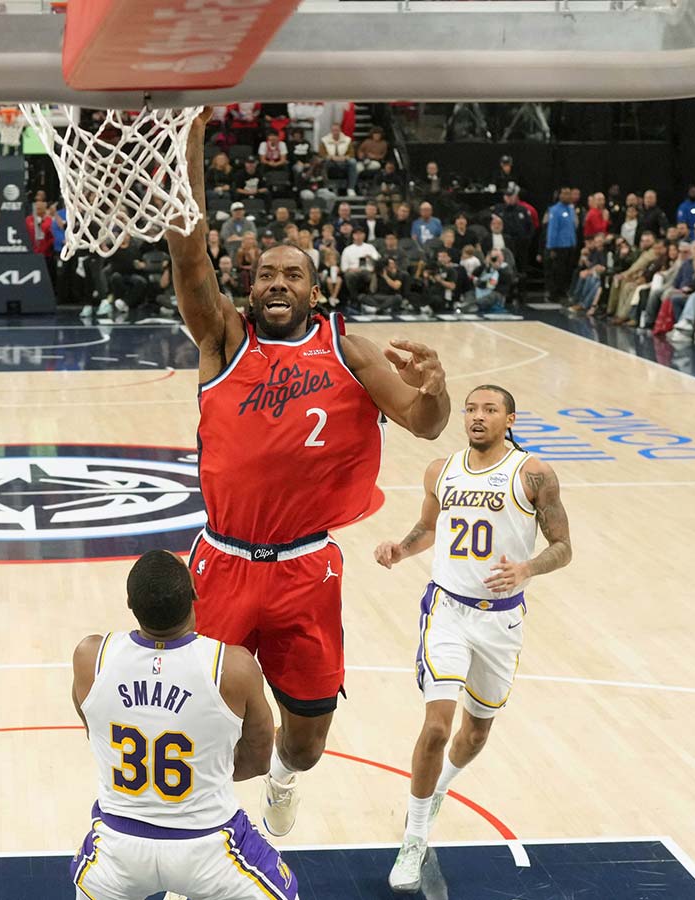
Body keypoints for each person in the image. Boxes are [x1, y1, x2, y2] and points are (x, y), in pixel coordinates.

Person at [165, 109, 451, 838]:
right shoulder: (223, 339)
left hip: (305, 569)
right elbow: (190, 258)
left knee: (304, 745)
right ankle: (198, 832)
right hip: (224, 563)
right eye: (265, 273)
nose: (277, 282)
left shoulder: (348, 352)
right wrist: (187, 134)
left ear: (313, 292)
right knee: (204, 722)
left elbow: (425, 423)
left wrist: (436, 386)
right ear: (249, 288)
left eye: (293, 274)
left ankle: (283, 781)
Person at [373, 385, 573, 892]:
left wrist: (527, 568)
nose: (477, 417)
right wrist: (401, 549)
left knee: (476, 734)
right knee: (436, 728)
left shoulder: (534, 474)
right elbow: (427, 529)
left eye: (489, 409)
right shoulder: (440, 470)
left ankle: (439, 788)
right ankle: (414, 839)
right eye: (470, 409)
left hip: (501, 622)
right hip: (447, 611)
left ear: (510, 419)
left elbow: (563, 547)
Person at [69, 550, 298, 900]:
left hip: (116, 850)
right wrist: (204, 773)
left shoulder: (90, 657)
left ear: (130, 603)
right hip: (208, 847)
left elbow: (93, 730)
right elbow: (258, 761)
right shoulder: (233, 667)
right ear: (194, 593)